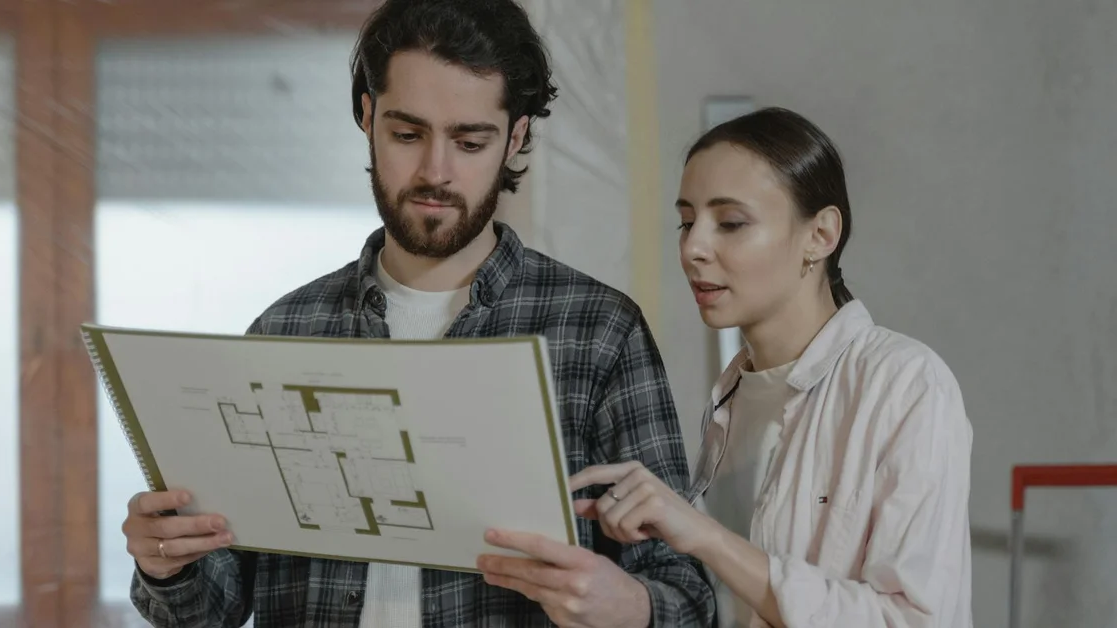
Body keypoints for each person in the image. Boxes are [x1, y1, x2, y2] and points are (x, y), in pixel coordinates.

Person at [121, 1, 715, 626]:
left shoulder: (598, 332)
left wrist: (628, 606)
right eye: (408, 135)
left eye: (469, 141)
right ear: (366, 115)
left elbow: (688, 597)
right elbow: (213, 607)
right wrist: (169, 563)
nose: (436, 171)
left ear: (514, 138)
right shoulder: (285, 331)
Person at [571, 107, 974, 627]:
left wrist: (703, 535)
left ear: (821, 235)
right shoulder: (735, 395)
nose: (693, 248)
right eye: (687, 222)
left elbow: (915, 621)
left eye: (731, 223)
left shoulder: (905, 384)